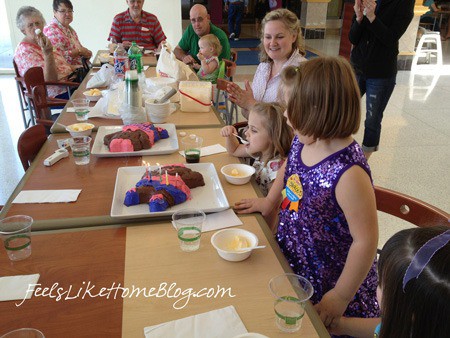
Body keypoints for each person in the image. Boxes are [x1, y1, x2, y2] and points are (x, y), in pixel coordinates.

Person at [235, 57, 380, 328]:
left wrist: (340, 295)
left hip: (330, 280)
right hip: (291, 260)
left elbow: (366, 242)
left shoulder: (349, 174)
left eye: (291, 108)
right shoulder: (304, 141)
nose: (286, 115)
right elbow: (289, 170)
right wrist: (269, 201)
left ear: (317, 110)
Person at [330, 226, 450, 337]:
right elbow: (381, 327)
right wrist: (343, 326)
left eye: (381, 284)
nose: (377, 286)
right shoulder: (421, 323)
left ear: (408, 312)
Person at [349, 0, 414, 159]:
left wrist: (372, 17)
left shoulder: (404, 4)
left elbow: (390, 38)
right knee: (342, 109)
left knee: (372, 119)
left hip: (381, 72)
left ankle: (363, 162)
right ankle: (334, 152)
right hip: (357, 67)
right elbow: (353, 38)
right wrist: (358, 18)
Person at [226, 8, 307, 119]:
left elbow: (295, 122)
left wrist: (251, 104)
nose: (272, 43)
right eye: (268, 37)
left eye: (279, 37)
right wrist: (244, 103)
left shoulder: (303, 71)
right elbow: (248, 115)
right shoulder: (263, 67)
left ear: (293, 36)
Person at [220, 102, 293, 196]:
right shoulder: (261, 151)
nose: (246, 132)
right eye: (248, 127)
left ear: (273, 137)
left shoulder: (276, 169)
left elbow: (272, 207)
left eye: (253, 130)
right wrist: (229, 135)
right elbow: (234, 150)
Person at [14, 6, 77, 99]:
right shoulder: (25, 51)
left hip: (70, 83)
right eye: (30, 25)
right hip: (55, 94)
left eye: (37, 23)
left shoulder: (42, 42)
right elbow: (50, 80)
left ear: (43, 24)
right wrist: (48, 54)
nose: (36, 28)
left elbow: (60, 64)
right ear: (23, 30)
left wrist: (73, 68)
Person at [43, 0, 92, 66]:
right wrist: (79, 51)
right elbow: (56, 57)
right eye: (63, 11)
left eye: (70, 11)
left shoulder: (68, 28)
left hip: (82, 68)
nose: (68, 14)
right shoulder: (51, 30)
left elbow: (80, 48)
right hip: (69, 74)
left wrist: (87, 53)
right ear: (54, 12)